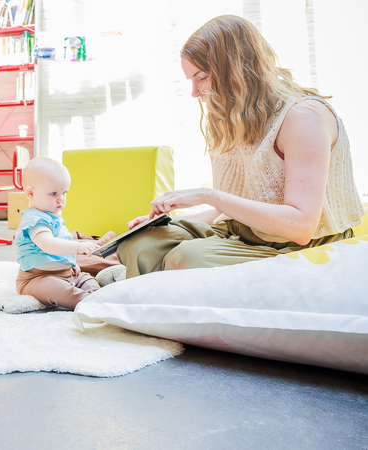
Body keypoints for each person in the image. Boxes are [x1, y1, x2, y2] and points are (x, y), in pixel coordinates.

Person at [117, 15, 363, 278]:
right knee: (137, 243)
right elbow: (228, 211)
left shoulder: (303, 117)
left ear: (233, 69)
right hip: (241, 232)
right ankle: (140, 282)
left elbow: (300, 227)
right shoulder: (230, 117)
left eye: (201, 77)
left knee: (186, 258)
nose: (194, 92)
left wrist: (207, 194)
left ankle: (133, 284)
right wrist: (163, 224)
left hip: (297, 244)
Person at [13, 156, 103, 310]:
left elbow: (62, 241)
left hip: (65, 274)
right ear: (31, 193)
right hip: (36, 279)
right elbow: (48, 244)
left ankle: (98, 295)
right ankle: (92, 302)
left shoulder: (54, 217)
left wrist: (71, 262)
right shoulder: (34, 219)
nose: (61, 200)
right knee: (61, 291)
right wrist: (77, 248)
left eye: (64, 193)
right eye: (54, 193)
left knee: (87, 279)